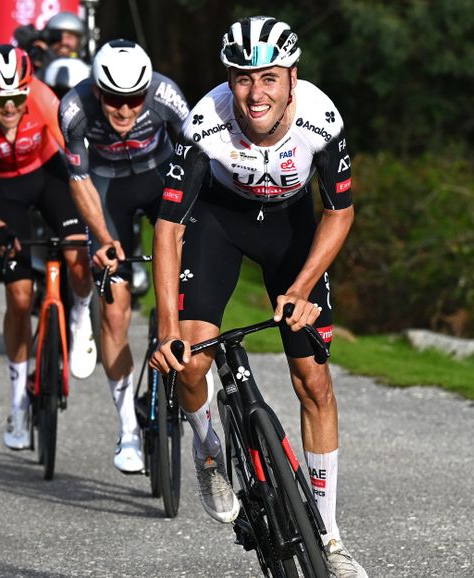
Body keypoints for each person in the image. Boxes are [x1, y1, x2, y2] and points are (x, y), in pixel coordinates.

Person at [149, 16, 367, 578]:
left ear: (292, 78)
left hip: (291, 232)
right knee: (191, 361)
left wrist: (300, 288)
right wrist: (168, 324)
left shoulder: (322, 121)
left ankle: (331, 538)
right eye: (243, 79)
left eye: (268, 78)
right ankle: (207, 450)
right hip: (217, 224)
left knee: (314, 380)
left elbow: (338, 212)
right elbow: (169, 226)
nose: (255, 93)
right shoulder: (205, 122)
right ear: (230, 81)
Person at [0, 45, 97, 451]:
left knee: (77, 258)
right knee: (18, 297)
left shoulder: (44, 99)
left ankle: (81, 318)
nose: (12, 108)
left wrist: (89, 211)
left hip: (48, 175)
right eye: (2, 100)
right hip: (3, 189)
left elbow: (76, 160)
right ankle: (17, 403)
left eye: (18, 97)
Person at [59, 39, 190, 473]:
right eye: (114, 100)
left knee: (193, 276)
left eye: (134, 99)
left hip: (160, 181)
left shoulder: (167, 95)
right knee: (115, 312)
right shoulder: (74, 108)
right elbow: (78, 181)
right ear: (97, 91)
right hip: (106, 191)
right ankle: (128, 430)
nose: (124, 111)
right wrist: (101, 238)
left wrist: (191, 229)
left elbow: (195, 162)